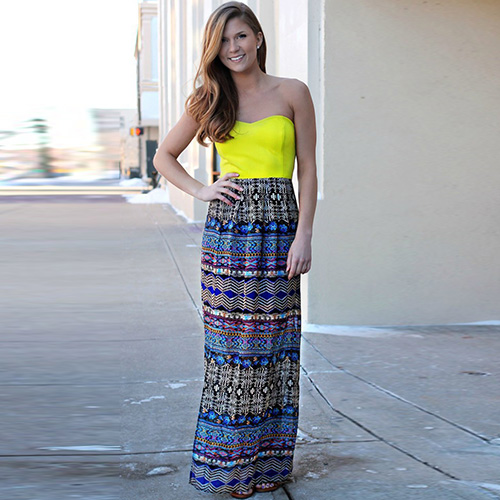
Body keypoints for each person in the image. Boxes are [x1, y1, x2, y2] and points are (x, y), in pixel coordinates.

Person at [152, 2, 317, 497]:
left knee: (274, 350)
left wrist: (304, 234)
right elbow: (164, 156)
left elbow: (308, 168)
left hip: (280, 232)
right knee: (232, 353)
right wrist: (202, 190)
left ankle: (267, 465)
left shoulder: (293, 92)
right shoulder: (209, 98)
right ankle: (230, 467)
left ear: (258, 37)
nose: (233, 48)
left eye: (240, 36)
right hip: (230, 238)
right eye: (223, 41)